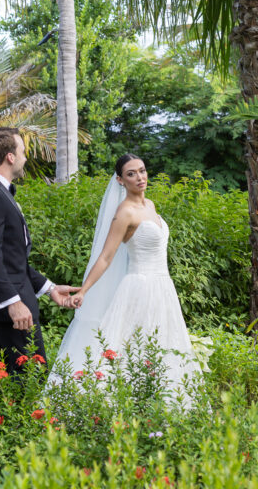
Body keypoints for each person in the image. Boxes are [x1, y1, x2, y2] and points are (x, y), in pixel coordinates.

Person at [53, 153, 201, 399]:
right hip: (139, 287)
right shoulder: (125, 213)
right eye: (131, 174)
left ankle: (160, 401)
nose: (140, 177)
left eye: (142, 171)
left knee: (162, 344)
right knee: (133, 345)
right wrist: (84, 290)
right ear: (120, 180)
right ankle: (114, 403)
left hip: (163, 287)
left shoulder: (150, 205)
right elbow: (106, 256)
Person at [0, 127, 79, 370]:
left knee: (10, 387)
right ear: (10, 156)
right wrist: (12, 303)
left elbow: (12, 260)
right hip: (10, 312)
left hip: (9, 306)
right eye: (23, 151)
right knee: (30, 381)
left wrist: (50, 289)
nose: (26, 157)